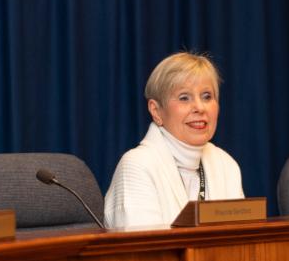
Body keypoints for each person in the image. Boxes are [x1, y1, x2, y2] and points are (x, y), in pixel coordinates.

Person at [104, 52, 244, 228]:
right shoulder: (137, 166)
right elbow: (145, 252)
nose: (200, 108)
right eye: (184, 98)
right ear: (156, 111)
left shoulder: (226, 165)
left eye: (207, 96)